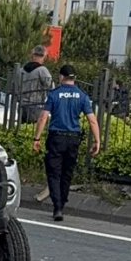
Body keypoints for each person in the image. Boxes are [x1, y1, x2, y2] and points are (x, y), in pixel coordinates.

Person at [33, 64, 101, 222]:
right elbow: (92, 120)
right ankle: (62, 204)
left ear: (61, 77)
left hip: (56, 137)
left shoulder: (54, 94)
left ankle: (57, 206)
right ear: (74, 78)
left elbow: (43, 117)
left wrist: (36, 138)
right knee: (67, 172)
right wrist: (97, 140)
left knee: (54, 172)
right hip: (73, 138)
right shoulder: (82, 96)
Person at [17, 45, 54, 124]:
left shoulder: (21, 70)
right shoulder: (42, 70)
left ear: (32, 55)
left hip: (21, 105)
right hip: (35, 106)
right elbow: (51, 86)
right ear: (44, 56)